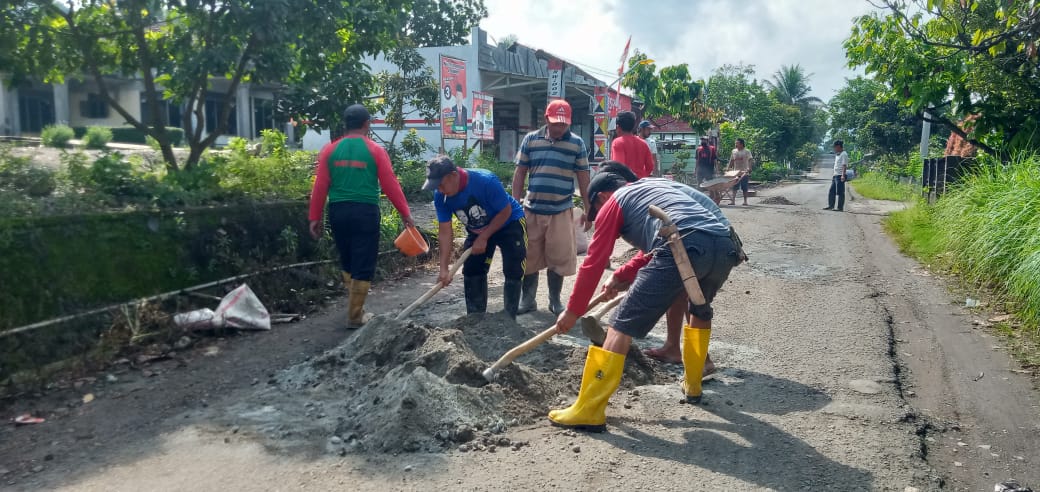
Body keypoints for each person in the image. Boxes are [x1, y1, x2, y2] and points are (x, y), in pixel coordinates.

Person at [548, 166, 741, 432]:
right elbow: (659, 244)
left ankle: (588, 410)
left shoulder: (615, 201)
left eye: (595, 209)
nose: (598, 217)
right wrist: (621, 275)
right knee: (698, 308)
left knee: (621, 324)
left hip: (685, 241)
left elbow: (594, 262)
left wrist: (573, 311)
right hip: (724, 245)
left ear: (603, 196)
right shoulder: (660, 189)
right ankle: (693, 385)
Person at [308, 104, 414, 329]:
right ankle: (355, 315)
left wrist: (314, 217)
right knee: (363, 261)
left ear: (345, 125)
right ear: (367, 124)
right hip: (365, 211)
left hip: (338, 211)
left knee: (347, 259)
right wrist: (405, 213)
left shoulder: (329, 150)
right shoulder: (375, 150)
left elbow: (320, 186)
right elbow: (390, 184)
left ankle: (355, 307)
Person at [512, 99, 591, 315]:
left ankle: (554, 300)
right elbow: (520, 173)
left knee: (558, 258)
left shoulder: (577, 144)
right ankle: (528, 300)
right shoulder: (531, 139)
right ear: (547, 119)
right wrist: (514, 204)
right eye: (556, 123)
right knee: (529, 257)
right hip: (532, 209)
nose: (559, 128)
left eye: (563, 124)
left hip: (560, 210)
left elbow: (584, 178)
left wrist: (589, 209)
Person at [425, 156, 527, 318]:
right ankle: (475, 319)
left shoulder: (485, 181)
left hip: (508, 221)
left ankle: (509, 319)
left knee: (513, 267)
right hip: (477, 228)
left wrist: (485, 236)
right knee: (472, 269)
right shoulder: (441, 196)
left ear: (453, 175)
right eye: (436, 187)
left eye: (441, 185)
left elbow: (505, 211)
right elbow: (445, 231)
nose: (440, 190)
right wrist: (443, 268)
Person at [609, 111, 655, 179]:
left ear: (618, 127)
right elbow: (650, 167)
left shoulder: (617, 142)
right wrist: (641, 176)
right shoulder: (643, 144)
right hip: (640, 184)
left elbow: (618, 167)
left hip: (624, 185)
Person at [824, 140, 849, 211]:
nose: (834, 149)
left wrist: (843, 175)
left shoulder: (844, 154)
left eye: (835, 147)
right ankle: (831, 205)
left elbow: (844, 165)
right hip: (835, 175)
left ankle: (840, 207)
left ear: (838, 146)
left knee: (840, 192)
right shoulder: (838, 154)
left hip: (840, 175)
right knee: (832, 191)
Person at [728, 138, 754, 206]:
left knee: (744, 187)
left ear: (741, 144)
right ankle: (733, 201)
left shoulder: (747, 151)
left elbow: (750, 159)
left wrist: (750, 167)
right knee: (734, 186)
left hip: (744, 172)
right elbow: (731, 160)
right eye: (735, 143)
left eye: (737, 143)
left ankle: (745, 201)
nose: (736, 144)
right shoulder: (734, 151)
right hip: (735, 172)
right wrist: (728, 168)